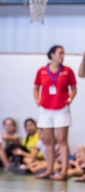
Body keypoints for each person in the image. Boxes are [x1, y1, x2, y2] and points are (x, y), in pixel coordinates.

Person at [34, 45, 77, 181]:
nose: (62, 56)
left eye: (63, 53)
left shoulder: (67, 71)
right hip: (46, 109)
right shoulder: (41, 71)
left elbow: (74, 88)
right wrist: (37, 100)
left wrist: (69, 99)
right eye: (59, 53)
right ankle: (49, 169)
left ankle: (64, 171)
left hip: (61, 109)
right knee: (48, 141)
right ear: (52, 55)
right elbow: (36, 87)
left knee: (61, 140)